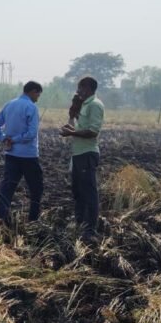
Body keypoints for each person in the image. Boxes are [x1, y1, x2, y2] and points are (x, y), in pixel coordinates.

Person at [0, 81, 44, 225]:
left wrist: (4, 138)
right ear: (33, 91)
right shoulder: (31, 107)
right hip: (28, 156)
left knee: (7, 188)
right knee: (36, 188)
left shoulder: (9, 104)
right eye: (38, 94)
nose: (38, 98)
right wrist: (14, 139)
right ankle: (33, 220)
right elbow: (31, 133)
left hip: (11, 155)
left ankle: (0, 219)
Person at [60, 76, 105, 240]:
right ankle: (79, 224)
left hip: (87, 153)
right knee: (78, 191)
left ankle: (90, 230)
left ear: (88, 89)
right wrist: (72, 116)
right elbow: (77, 127)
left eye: (80, 88)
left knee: (89, 193)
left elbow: (93, 131)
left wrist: (71, 133)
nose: (78, 91)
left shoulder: (95, 105)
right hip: (78, 154)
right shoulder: (83, 104)